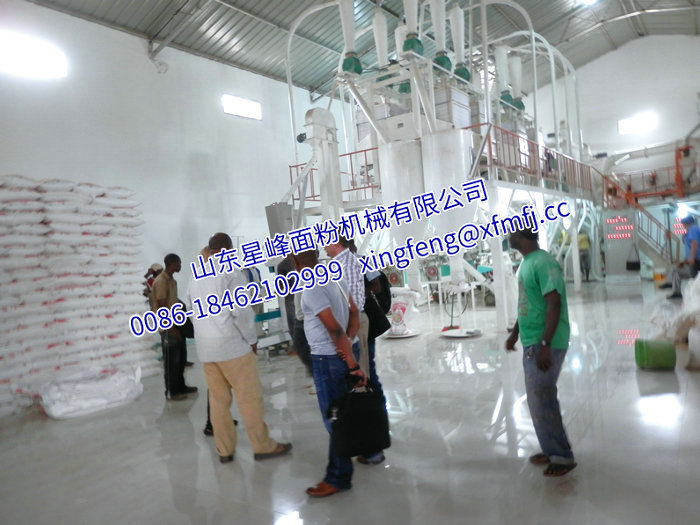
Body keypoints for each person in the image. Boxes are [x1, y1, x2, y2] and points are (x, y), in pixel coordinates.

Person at [187, 233, 291, 464]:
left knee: (218, 401)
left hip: (207, 350)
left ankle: (224, 450)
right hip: (232, 347)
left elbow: (191, 307)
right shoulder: (230, 271)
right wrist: (251, 339)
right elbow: (241, 311)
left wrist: (205, 331)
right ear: (228, 249)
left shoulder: (197, 274)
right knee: (249, 398)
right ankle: (262, 446)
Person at [293, 249, 366, 498]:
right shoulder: (335, 276)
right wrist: (350, 344)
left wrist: (352, 364)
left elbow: (334, 330)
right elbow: (354, 312)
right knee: (346, 411)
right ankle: (364, 449)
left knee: (334, 418)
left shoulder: (311, 286)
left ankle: (338, 477)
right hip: (343, 351)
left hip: (328, 358)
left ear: (295, 262)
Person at [505, 226, 577, 477]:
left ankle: (562, 457)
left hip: (546, 342)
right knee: (537, 400)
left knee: (542, 397)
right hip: (532, 340)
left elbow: (553, 304)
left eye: (512, 233)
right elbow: (527, 302)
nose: (509, 237)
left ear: (522, 236)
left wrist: (545, 344)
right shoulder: (527, 263)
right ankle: (550, 447)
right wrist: (515, 333)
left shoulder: (543, 263)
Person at [324, 236, 385, 465]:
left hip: (352, 323)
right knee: (361, 377)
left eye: (326, 243)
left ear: (335, 244)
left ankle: (371, 447)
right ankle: (367, 442)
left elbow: (351, 303)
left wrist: (347, 335)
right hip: (352, 322)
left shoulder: (343, 264)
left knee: (360, 380)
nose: (324, 248)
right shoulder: (346, 261)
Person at [151, 253, 197, 400]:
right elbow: (162, 307)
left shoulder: (172, 280)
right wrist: (172, 329)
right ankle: (171, 392)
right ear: (171, 264)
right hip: (168, 326)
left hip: (177, 323)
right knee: (172, 361)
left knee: (181, 358)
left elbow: (173, 302)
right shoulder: (161, 281)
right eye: (178, 263)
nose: (180, 266)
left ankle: (181, 386)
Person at [660, 215, 700, 299]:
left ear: (687, 223)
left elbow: (694, 244)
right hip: (692, 260)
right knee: (676, 271)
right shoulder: (690, 231)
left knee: (694, 278)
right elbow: (689, 246)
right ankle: (675, 291)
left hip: (696, 261)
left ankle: (672, 286)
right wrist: (684, 261)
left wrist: (692, 258)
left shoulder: (693, 229)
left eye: (683, 225)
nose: (683, 226)